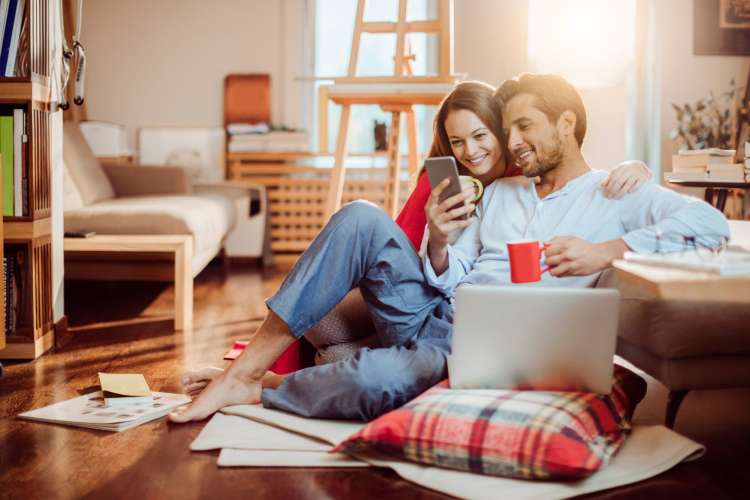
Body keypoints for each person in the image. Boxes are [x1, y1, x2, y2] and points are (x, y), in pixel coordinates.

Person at [170, 74, 724, 424]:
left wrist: (608, 251)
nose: (512, 143)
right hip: (435, 310)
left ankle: (262, 392)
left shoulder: (615, 194)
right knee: (361, 215)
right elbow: (452, 270)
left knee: (373, 380)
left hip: (481, 349)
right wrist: (437, 238)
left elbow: (710, 223)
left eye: (523, 127)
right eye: (508, 130)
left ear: (567, 122)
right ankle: (246, 372)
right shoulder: (501, 191)